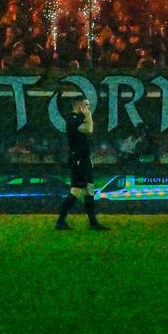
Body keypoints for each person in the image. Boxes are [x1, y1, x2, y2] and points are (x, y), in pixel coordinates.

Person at [54, 93, 107, 231]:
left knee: (87, 189)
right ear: (79, 105)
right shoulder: (73, 119)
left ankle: (92, 223)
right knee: (78, 191)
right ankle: (62, 222)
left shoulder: (77, 118)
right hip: (78, 159)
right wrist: (88, 116)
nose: (89, 107)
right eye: (87, 104)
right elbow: (89, 130)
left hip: (82, 158)